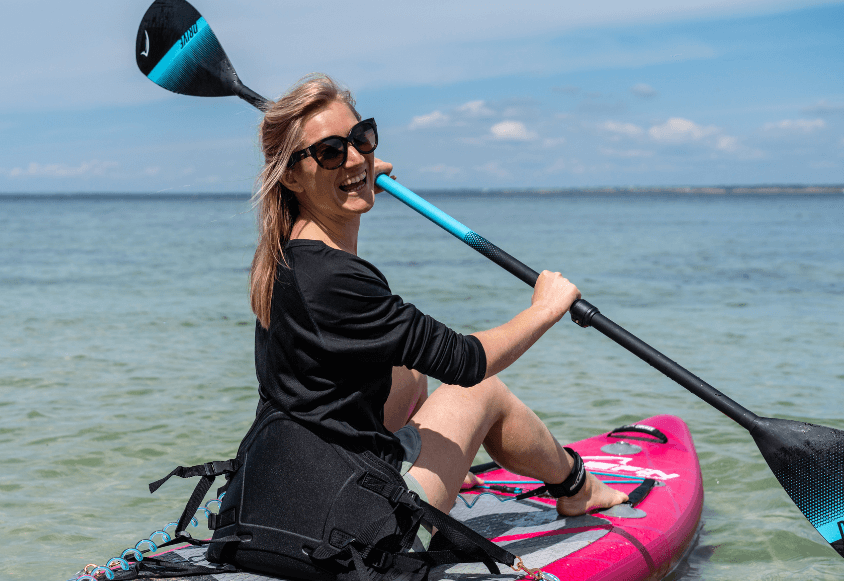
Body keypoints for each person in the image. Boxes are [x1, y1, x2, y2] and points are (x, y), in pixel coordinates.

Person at [245, 73, 628, 520]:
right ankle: (576, 485)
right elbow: (467, 361)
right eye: (330, 151)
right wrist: (545, 309)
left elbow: (354, 307)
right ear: (291, 176)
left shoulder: (287, 255)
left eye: (362, 137)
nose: (354, 156)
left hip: (286, 496)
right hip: (358, 532)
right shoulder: (333, 280)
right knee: (482, 390)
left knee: (405, 366)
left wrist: (352, 174)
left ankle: (446, 462)